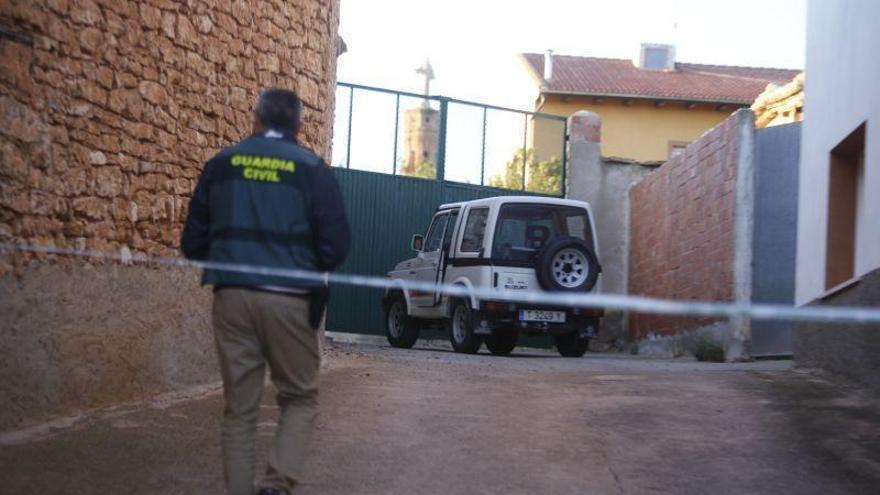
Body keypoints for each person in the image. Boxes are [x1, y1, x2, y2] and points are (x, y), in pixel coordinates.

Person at [181, 88, 350, 495]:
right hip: (291, 299)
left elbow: (192, 243)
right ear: (300, 125)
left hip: (232, 297)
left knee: (239, 409)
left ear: (255, 117)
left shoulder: (221, 165)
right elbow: (336, 248)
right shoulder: (312, 169)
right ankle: (276, 486)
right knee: (299, 398)